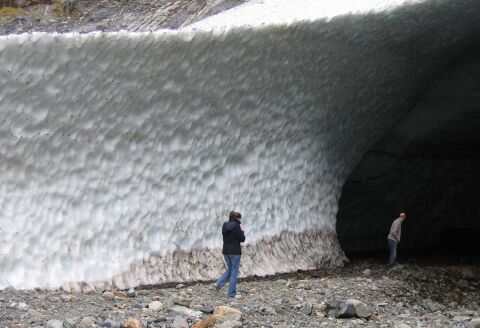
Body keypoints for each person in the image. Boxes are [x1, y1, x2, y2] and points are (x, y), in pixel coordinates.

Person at [215, 211, 246, 299]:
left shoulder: (225, 225)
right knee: (234, 272)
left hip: (225, 250)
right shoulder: (236, 226)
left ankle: (218, 284)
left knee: (230, 269)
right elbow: (242, 239)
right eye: (239, 218)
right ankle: (231, 294)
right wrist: (242, 230)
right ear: (237, 218)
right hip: (235, 251)